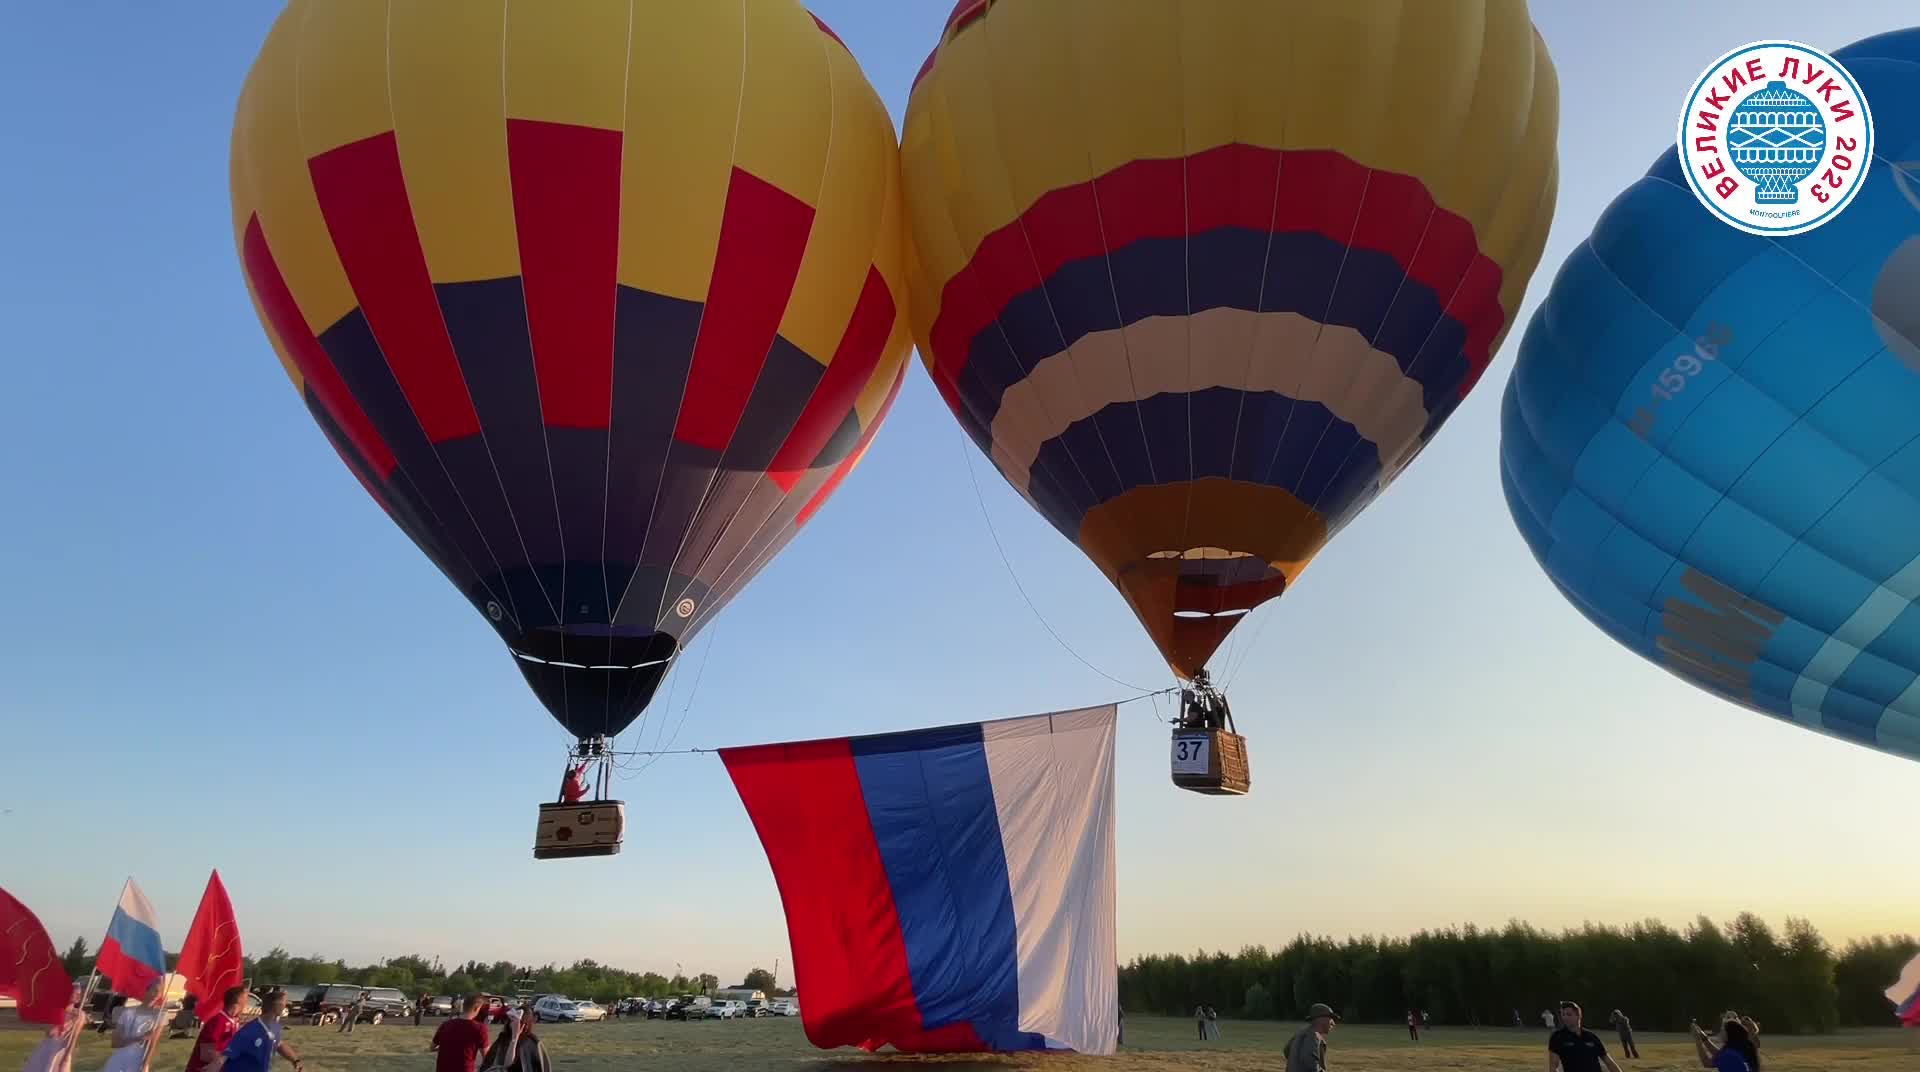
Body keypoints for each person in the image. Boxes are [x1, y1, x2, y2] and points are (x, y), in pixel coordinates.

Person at [103, 979, 176, 1072]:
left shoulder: (160, 1015)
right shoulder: (127, 1013)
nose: (157, 994)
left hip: (138, 1060)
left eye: (160, 992)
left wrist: (145, 1065)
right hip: (120, 1059)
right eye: (155, 990)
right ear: (147, 990)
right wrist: (140, 1038)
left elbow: (152, 1044)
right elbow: (115, 1042)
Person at [222, 990, 302, 1072]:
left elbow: (279, 1044)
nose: (285, 1006)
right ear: (276, 1006)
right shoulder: (250, 1030)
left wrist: (295, 1060)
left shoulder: (274, 1026)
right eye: (284, 1003)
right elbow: (225, 1056)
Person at [20, 984, 85, 1072]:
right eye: (75, 993)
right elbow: (50, 1032)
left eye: (79, 994)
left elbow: (74, 1038)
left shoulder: (80, 1015)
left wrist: (67, 1056)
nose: (78, 996)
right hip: (48, 1046)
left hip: (62, 1048)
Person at [1548, 1001, 1624, 1072]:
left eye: (1569, 1014)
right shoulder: (1557, 1037)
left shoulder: (1591, 1037)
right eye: (1563, 1014)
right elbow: (1553, 1066)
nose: (1565, 1018)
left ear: (1578, 1015)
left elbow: (1609, 1062)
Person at [186, 987, 248, 1072]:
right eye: (244, 1003)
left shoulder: (232, 1021)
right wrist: (223, 1061)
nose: (246, 1005)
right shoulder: (217, 1021)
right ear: (235, 1006)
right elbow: (206, 1052)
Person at [432, 994, 492, 1072]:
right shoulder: (480, 1028)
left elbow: (432, 1047)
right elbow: (487, 1057)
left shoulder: (446, 1024)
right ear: (477, 1008)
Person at [1692, 1016, 1761, 1072]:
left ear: (1729, 1035)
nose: (1721, 1032)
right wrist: (1703, 1037)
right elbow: (1719, 1055)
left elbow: (1707, 1063)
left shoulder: (1729, 1054)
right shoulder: (1737, 1048)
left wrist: (1697, 1040)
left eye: (1723, 1030)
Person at [1285, 1003, 1338, 1072]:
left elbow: (1286, 1051)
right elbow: (1311, 1064)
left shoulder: (1300, 1033)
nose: (1333, 1023)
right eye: (1331, 1018)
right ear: (1321, 1019)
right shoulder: (1313, 1036)